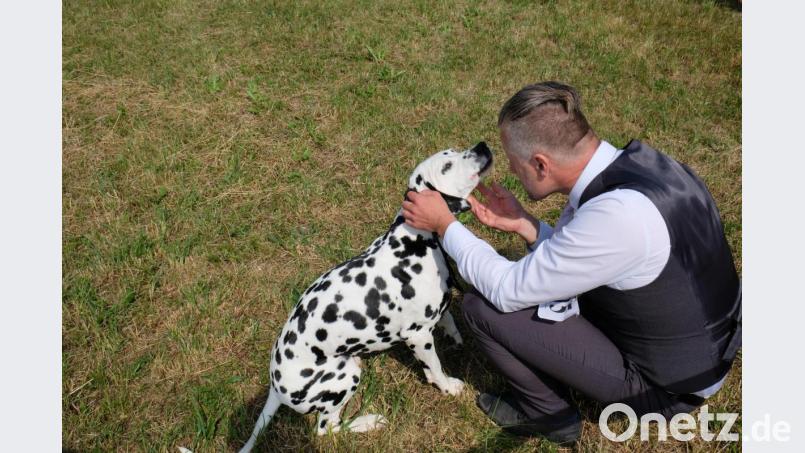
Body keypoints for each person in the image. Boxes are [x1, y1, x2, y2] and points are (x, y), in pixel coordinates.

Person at [401, 81, 741, 444]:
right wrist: (525, 224)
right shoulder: (647, 166)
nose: (513, 172)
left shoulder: (615, 219)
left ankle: (551, 417)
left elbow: (505, 291)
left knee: (482, 307)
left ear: (541, 164)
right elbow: (593, 256)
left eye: (515, 163)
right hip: (704, 349)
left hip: (667, 389)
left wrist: (446, 226)